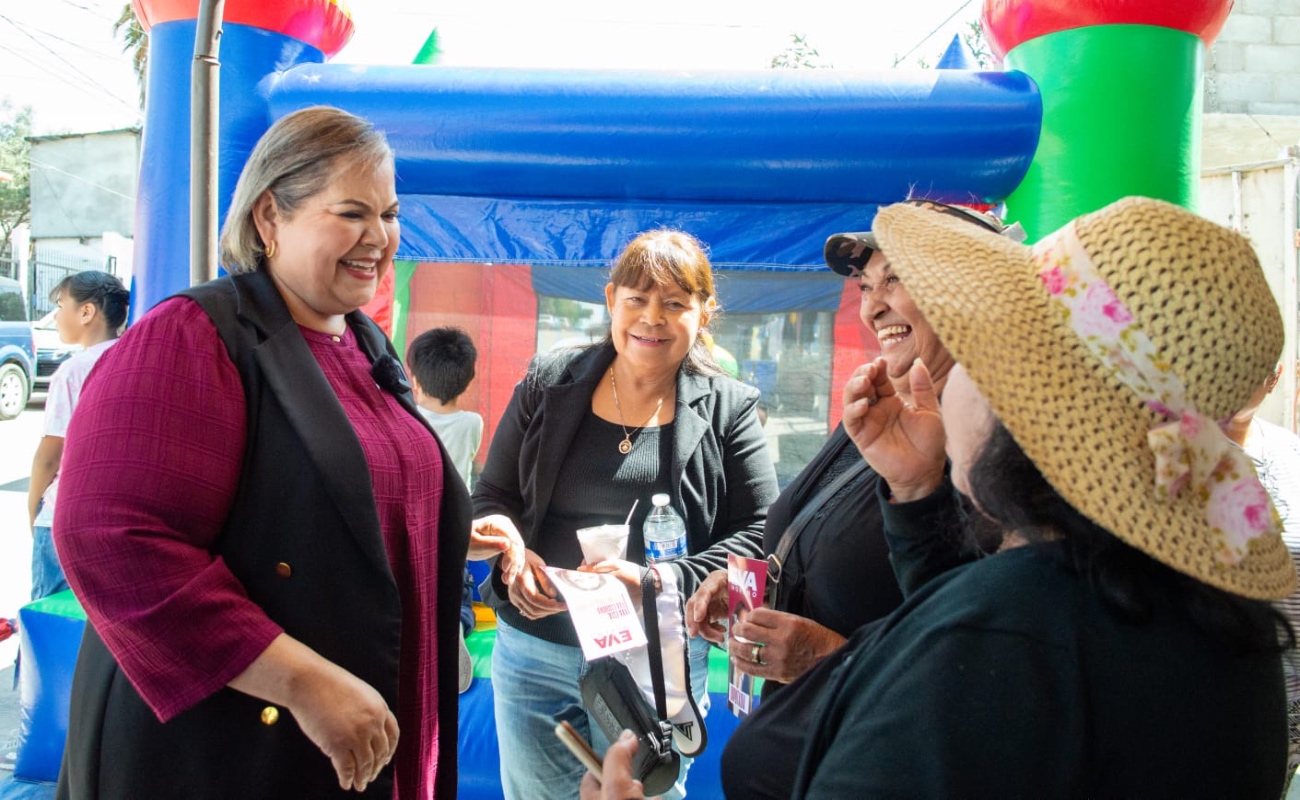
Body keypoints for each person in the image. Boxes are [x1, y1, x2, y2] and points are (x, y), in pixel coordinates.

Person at [585, 196, 1295, 798]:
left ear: (1022, 396)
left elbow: (963, 663)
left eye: (980, 345)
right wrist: (917, 490)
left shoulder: (1010, 634)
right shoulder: (1205, 622)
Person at [53, 106, 470, 799]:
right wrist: (301, 681)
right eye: (353, 213)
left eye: (390, 214)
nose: (380, 237)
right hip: (234, 753)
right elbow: (110, 538)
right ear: (270, 216)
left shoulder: (362, 342)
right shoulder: (192, 334)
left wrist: (439, 525)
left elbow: (338, 494)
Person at [471, 228, 779, 799]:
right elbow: (492, 493)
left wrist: (656, 582)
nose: (652, 318)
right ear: (611, 300)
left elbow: (761, 532)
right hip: (535, 648)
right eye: (637, 299)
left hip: (654, 659)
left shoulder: (729, 409)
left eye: (675, 303)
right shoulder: (548, 381)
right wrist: (514, 552)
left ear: (704, 312)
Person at [26, 270, 128, 601]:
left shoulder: (73, 371)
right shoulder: (135, 359)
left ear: (86, 312)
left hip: (65, 515)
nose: (56, 315)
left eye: (60, 305)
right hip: (116, 520)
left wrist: (34, 510)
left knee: (51, 614)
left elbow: (50, 455)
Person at [1226, 365, 1300, 789]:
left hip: (1291, 677)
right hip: (1224, 673)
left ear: (1273, 379)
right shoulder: (1185, 452)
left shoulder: (1290, 452)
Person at [407, 325, 485, 694]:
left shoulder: (407, 417)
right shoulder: (472, 423)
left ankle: (422, 631)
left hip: (413, 522)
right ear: (467, 382)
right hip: (455, 524)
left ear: (415, 380)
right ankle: (455, 624)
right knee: (456, 585)